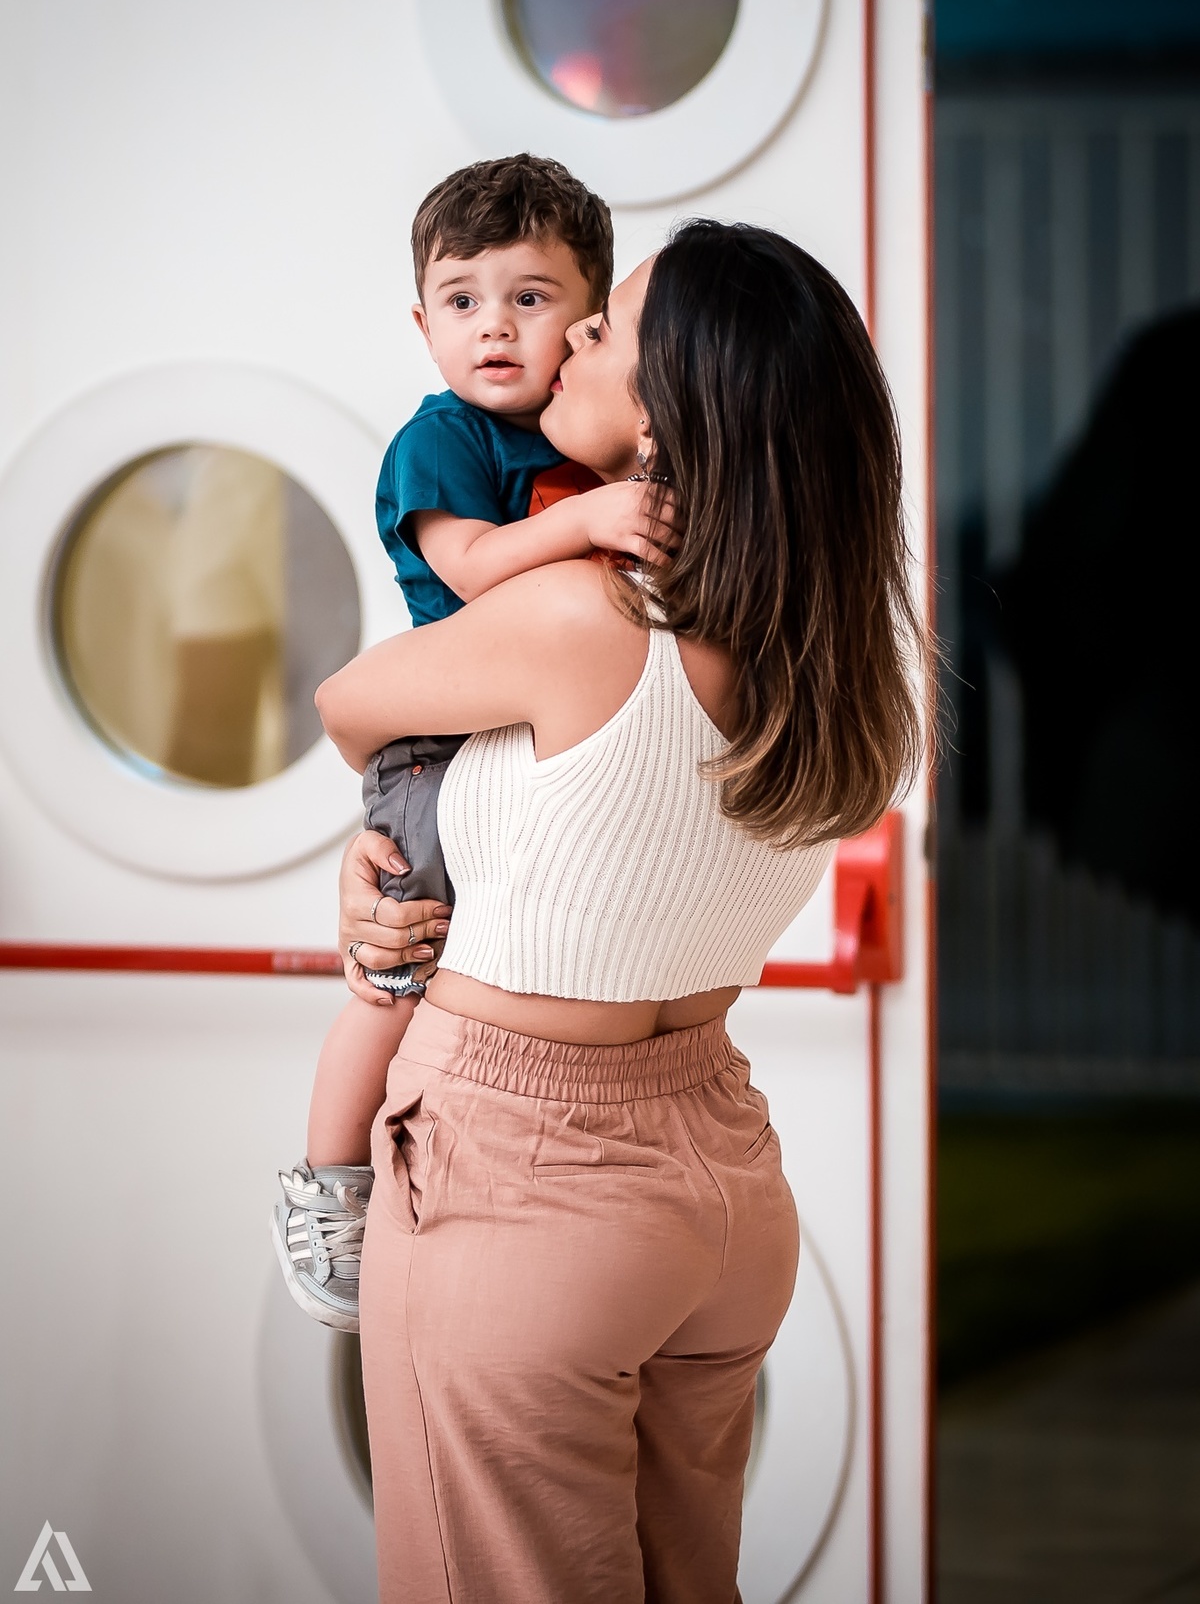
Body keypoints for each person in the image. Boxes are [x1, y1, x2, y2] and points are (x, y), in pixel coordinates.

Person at [319, 220, 927, 1604]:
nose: (567, 338)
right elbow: (598, 831)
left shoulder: (584, 617)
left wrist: (386, 848)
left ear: (665, 420)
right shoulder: (836, 665)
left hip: (524, 1181)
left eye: (605, 330)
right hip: (719, 1188)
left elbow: (349, 703)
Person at [272, 154, 669, 1333]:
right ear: (423, 321)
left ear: (590, 322)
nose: (493, 326)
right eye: (461, 300)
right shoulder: (441, 440)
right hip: (438, 746)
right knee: (398, 978)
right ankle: (329, 1187)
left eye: (531, 300)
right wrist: (597, 518)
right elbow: (474, 569)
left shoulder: (586, 440)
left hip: (529, 741)